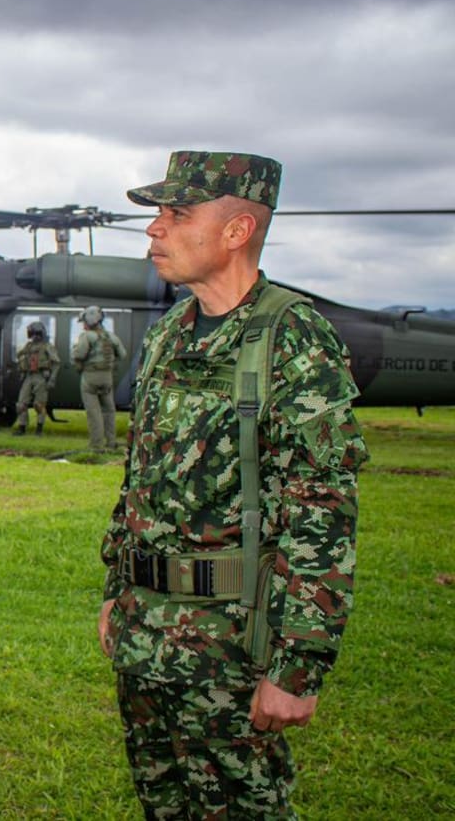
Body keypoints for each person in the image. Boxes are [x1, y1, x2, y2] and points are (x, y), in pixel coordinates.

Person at [97, 151, 368, 818]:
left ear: (236, 231)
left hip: (231, 646)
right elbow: (141, 486)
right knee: (163, 805)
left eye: (176, 213)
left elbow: (321, 513)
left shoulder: (291, 338)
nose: (154, 229)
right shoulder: (169, 336)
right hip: (148, 633)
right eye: (157, 214)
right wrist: (118, 591)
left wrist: (296, 667)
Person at [72, 305, 126, 450]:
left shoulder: (87, 336)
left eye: (83, 321)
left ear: (89, 320)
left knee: (93, 412)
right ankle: (111, 442)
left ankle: (96, 445)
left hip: (90, 377)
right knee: (109, 410)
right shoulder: (111, 337)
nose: (83, 324)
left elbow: (79, 355)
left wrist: (75, 351)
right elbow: (123, 354)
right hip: (107, 377)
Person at [13, 320, 61, 435]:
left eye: (35, 334)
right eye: (32, 334)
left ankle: (39, 429)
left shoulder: (47, 347)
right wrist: (22, 366)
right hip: (29, 376)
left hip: (41, 377)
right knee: (21, 404)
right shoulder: (29, 346)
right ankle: (22, 427)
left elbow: (56, 363)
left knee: (39, 405)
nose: (33, 336)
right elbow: (19, 354)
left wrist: (52, 379)